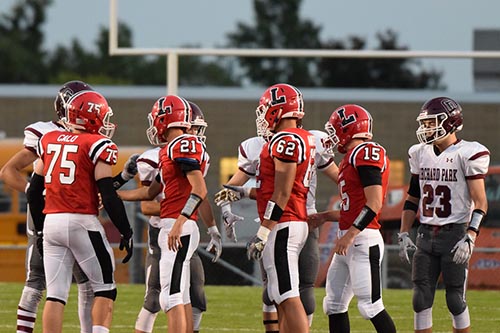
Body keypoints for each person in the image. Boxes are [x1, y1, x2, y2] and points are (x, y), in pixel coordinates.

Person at [0, 80, 135, 333]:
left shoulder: (49, 139)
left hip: (51, 220)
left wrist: (40, 230)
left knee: (58, 293)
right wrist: (126, 230)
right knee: (102, 287)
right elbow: (106, 192)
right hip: (77, 218)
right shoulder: (94, 143)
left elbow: (41, 191)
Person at [215, 128, 338, 332]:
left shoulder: (289, 141)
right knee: (276, 289)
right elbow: (244, 188)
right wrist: (231, 205)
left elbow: (283, 192)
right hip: (284, 218)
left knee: (295, 290)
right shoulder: (293, 141)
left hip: (289, 218)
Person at [221, 83, 314, 332]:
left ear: (278, 110)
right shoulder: (301, 137)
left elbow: (282, 192)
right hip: (289, 220)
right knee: (279, 292)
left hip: (284, 222)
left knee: (286, 294)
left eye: (266, 109)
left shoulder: (286, 139)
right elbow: (269, 188)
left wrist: (263, 231)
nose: (262, 116)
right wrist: (238, 194)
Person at [118, 95, 211, 333]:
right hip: (174, 225)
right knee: (179, 296)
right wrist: (115, 194)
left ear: (165, 119)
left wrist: (179, 222)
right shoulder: (170, 150)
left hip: (176, 225)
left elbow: (200, 189)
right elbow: (150, 193)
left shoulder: (182, 144)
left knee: (170, 298)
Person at [398, 97, 489, 333]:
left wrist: (471, 235)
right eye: (425, 123)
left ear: (450, 122)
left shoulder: (468, 153)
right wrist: (403, 233)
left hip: (454, 234)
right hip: (425, 235)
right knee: (420, 299)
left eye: (431, 122)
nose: (426, 128)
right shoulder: (419, 153)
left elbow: (480, 202)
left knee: (455, 300)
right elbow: (412, 198)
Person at [308, 104, 396, 333]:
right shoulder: (351, 158)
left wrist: (349, 235)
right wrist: (325, 216)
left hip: (362, 240)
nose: (333, 136)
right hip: (351, 239)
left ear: (349, 129)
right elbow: (351, 210)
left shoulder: (365, 152)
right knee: (334, 304)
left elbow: (374, 203)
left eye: (335, 130)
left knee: (371, 306)